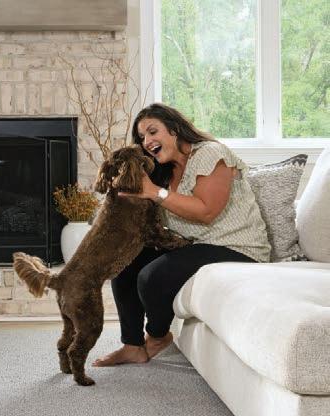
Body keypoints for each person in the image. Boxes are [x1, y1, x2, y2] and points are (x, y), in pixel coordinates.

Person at [93, 103, 271, 367]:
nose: (147, 141)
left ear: (174, 129)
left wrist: (154, 192)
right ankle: (132, 346)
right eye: (142, 137)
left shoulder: (210, 153)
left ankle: (157, 337)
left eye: (153, 131)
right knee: (124, 261)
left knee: (151, 277)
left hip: (237, 247)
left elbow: (207, 211)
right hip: (193, 246)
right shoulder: (162, 171)